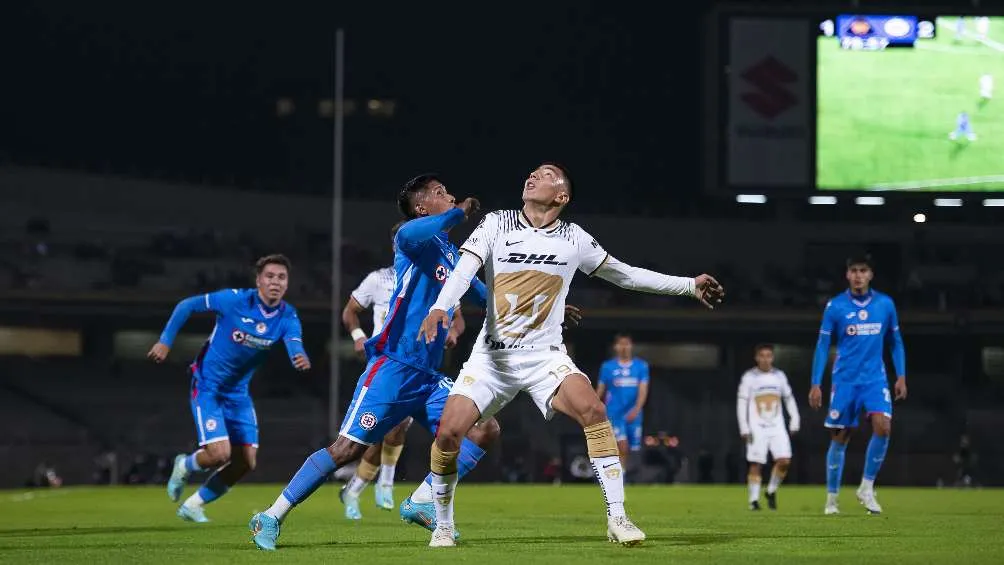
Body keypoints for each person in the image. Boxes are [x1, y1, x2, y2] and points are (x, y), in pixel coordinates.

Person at [417, 162, 724, 547]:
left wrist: (687, 287)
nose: (532, 176)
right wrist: (441, 308)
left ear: (561, 195)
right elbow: (465, 268)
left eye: (545, 175)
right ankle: (443, 524)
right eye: (531, 173)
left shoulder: (574, 238)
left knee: (594, 411)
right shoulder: (497, 223)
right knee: (448, 432)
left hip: (545, 357)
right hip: (492, 359)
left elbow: (625, 274)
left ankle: (619, 518)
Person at [248, 175, 501, 551]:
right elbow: (436, 225)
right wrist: (458, 211)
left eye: (448, 192)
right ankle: (271, 515)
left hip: (429, 378)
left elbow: (488, 296)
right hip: (392, 369)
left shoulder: (453, 256)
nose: (448, 195)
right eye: (439, 193)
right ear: (421, 208)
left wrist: (541, 309)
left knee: (484, 428)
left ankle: (419, 500)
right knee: (346, 450)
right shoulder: (411, 241)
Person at [151, 254, 311, 523]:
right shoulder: (235, 300)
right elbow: (187, 305)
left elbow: (294, 340)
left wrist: (299, 355)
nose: (275, 282)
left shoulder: (287, 315)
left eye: (281, 277)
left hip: (238, 394)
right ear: (258, 280)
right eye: (270, 276)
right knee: (220, 454)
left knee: (245, 462)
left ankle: (192, 505)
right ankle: (185, 464)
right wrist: (165, 341)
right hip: (207, 386)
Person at [338, 221, 467, 520]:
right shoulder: (378, 279)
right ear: (396, 245)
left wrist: (454, 332)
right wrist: (359, 338)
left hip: (418, 361)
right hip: (386, 359)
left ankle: (362, 488)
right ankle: (373, 485)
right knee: (379, 430)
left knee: (393, 427)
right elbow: (350, 311)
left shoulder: (439, 277)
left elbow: (458, 317)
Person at [809, 254, 907, 515]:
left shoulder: (885, 304)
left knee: (883, 427)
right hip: (845, 381)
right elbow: (822, 346)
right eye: (854, 270)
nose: (858, 275)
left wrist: (901, 376)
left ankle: (866, 487)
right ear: (847, 274)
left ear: (871, 274)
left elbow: (895, 342)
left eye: (863, 270)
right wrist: (816, 383)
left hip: (875, 379)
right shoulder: (836, 307)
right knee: (840, 438)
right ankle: (832, 499)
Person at [736, 343, 800, 511]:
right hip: (757, 426)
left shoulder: (779, 376)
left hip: (777, 426)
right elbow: (742, 403)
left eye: (768, 356)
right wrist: (744, 427)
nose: (765, 359)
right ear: (756, 357)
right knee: (756, 463)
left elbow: (789, 398)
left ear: (772, 357)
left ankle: (771, 491)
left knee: (784, 461)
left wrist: (795, 419)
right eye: (762, 356)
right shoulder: (749, 377)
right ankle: (753, 500)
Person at [595, 333, 649, 472]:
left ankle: (623, 472)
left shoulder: (641, 366)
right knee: (621, 445)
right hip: (614, 413)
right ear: (615, 347)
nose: (624, 347)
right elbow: (601, 389)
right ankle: (620, 474)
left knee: (632, 448)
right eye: (621, 344)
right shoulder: (608, 367)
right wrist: (593, 406)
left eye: (627, 344)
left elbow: (643, 389)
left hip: (633, 413)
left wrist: (637, 409)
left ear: (631, 346)